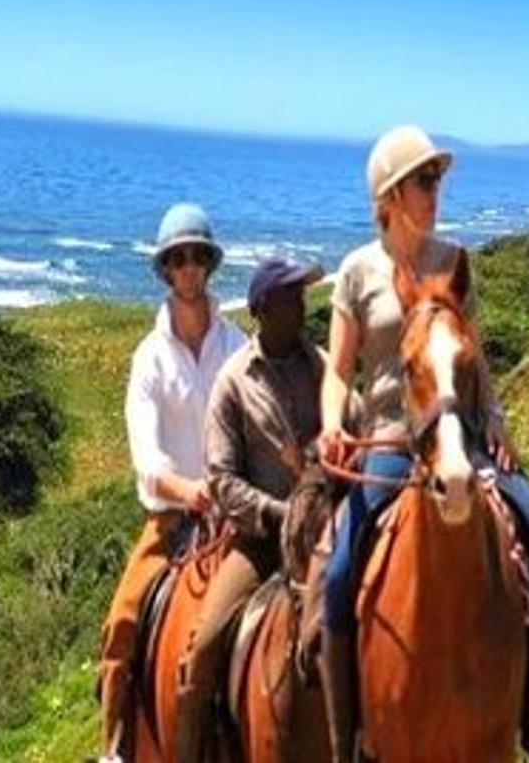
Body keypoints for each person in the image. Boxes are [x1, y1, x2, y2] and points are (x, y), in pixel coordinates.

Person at [312, 126, 529, 763]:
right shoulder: (357, 272)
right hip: (391, 444)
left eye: (437, 180)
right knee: (340, 573)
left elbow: (474, 361)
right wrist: (331, 423)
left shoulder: (454, 261)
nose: (436, 192)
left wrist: (500, 425)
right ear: (390, 195)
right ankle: (352, 740)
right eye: (423, 181)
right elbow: (340, 371)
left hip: (464, 436)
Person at [96, 202, 247, 763]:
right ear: (166, 270)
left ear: (208, 266)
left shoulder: (239, 347)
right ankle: (115, 748)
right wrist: (193, 492)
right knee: (123, 623)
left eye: (197, 258)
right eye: (178, 259)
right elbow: (148, 463)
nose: (188, 268)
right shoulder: (149, 360)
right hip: (173, 519)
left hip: (234, 514)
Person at [171, 256, 327, 763]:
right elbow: (222, 481)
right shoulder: (233, 382)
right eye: (291, 298)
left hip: (326, 540)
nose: (302, 306)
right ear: (263, 309)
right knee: (202, 653)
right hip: (260, 543)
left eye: (302, 296)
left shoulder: (326, 368)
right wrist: (283, 515)